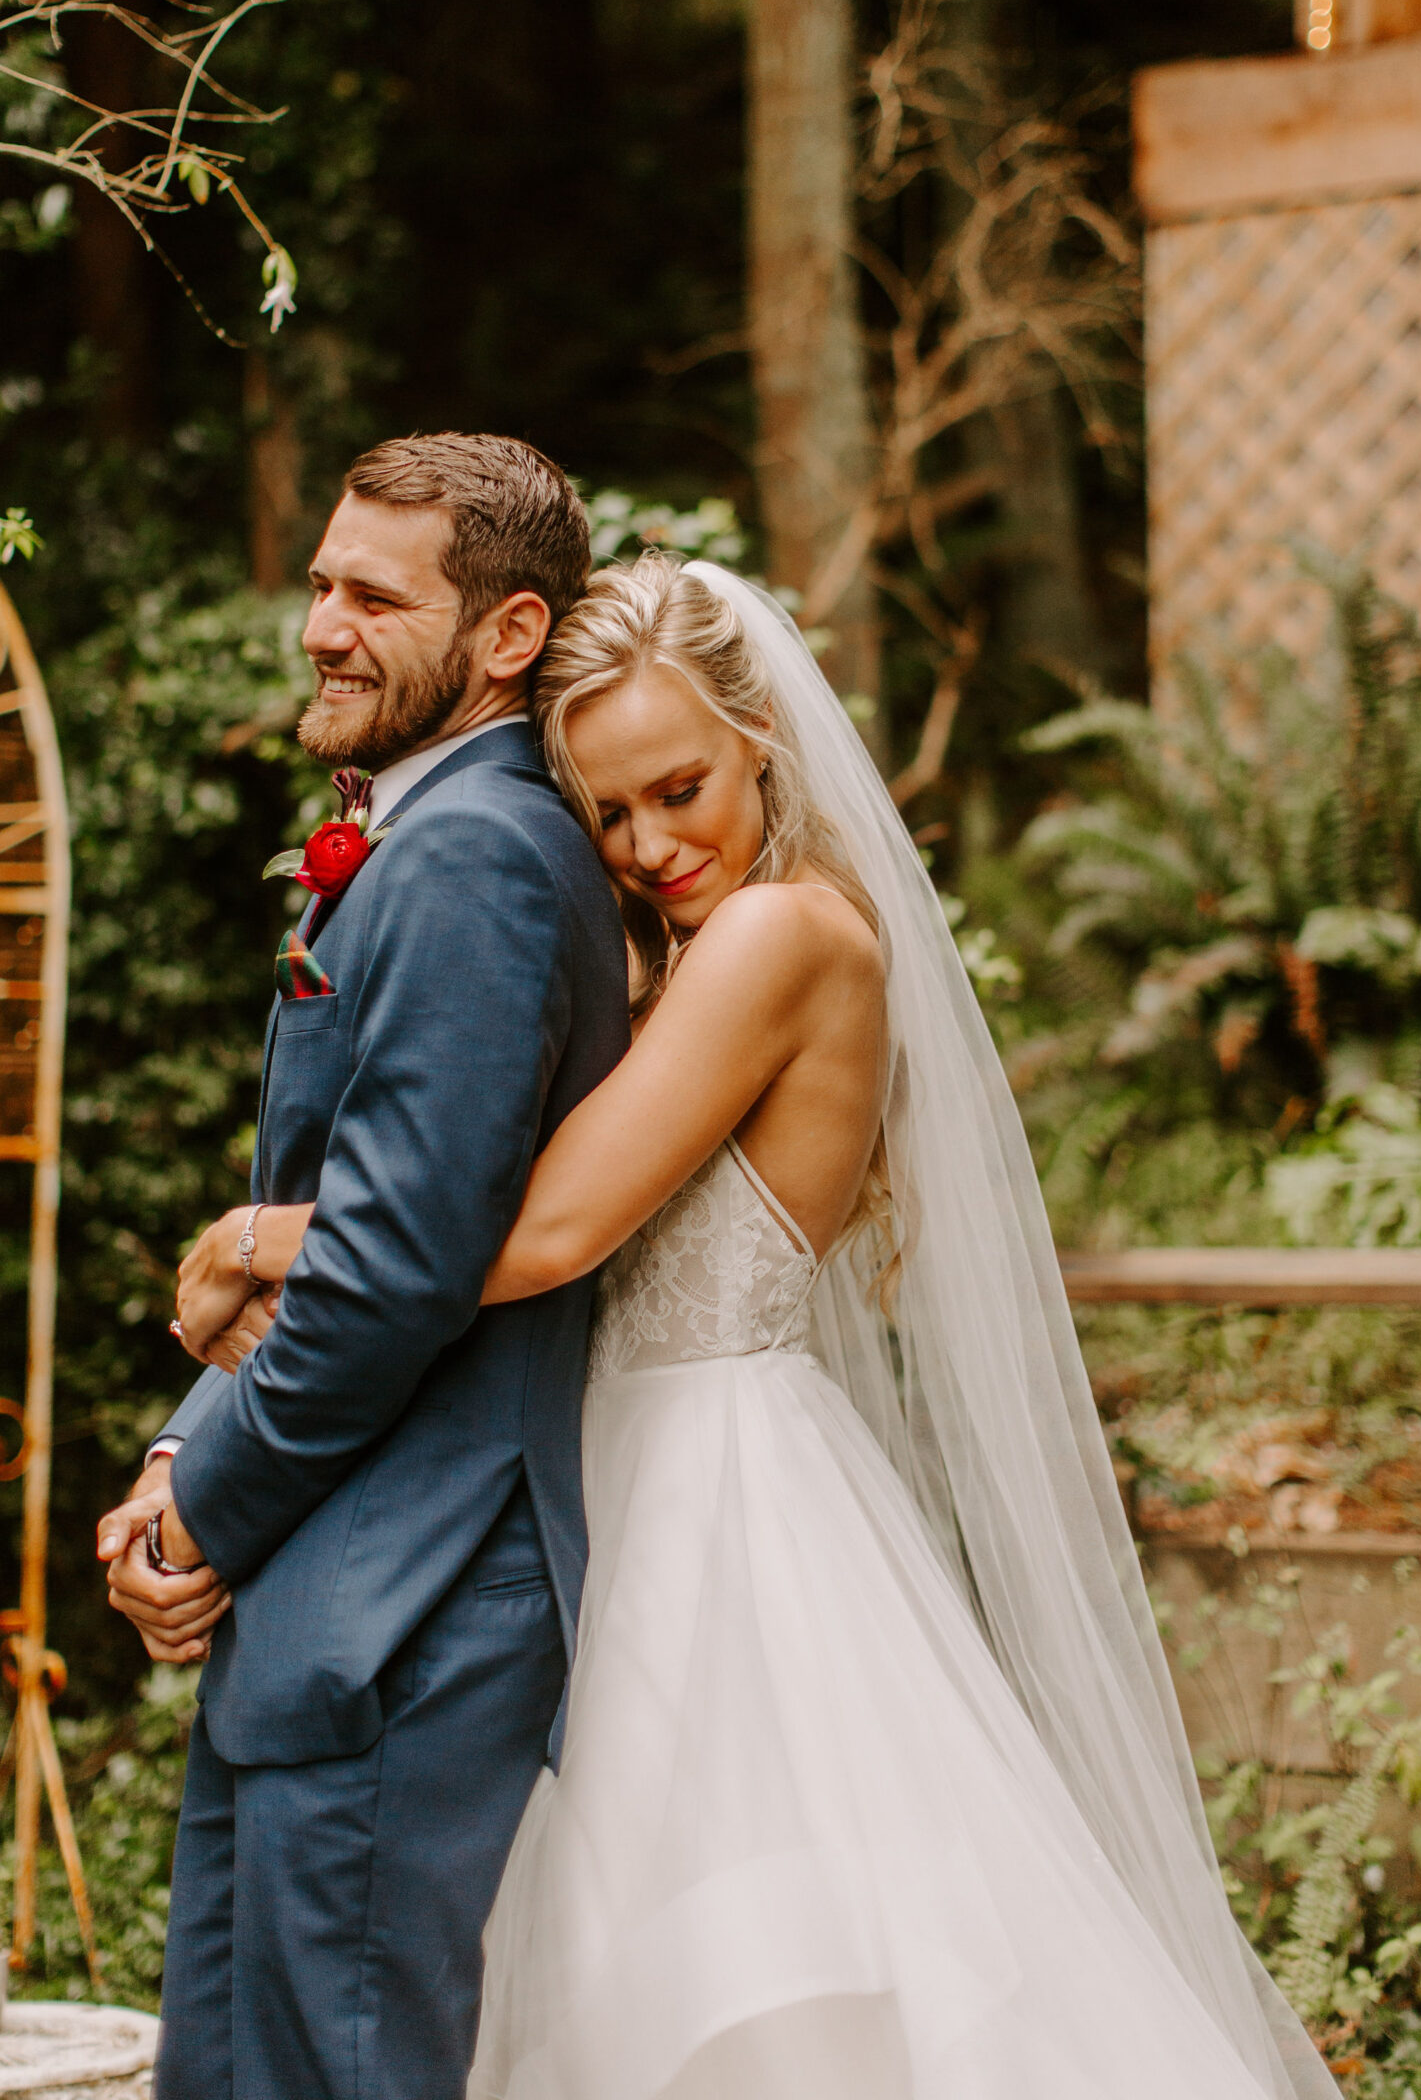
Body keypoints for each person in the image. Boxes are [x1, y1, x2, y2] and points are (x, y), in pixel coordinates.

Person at [182, 553, 1339, 2100]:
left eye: (680, 788)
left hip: (718, 1505)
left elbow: (546, 1232)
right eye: (607, 812)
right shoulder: (682, 944)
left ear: (763, 748)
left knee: (752, 1977)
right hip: (608, 1475)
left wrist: (260, 1234)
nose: (650, 844)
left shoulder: (782, 938)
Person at [94, 434, 631, 2100]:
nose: (319, 624)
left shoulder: (475, 857)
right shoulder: (412, 838)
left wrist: (207, 1509)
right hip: (324, 1587)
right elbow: (329, 1221)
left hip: (405, 1598)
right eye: (322, 583)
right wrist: (184, 1447)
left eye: (370, 596)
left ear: (508, 634)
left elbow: (398, 1265)